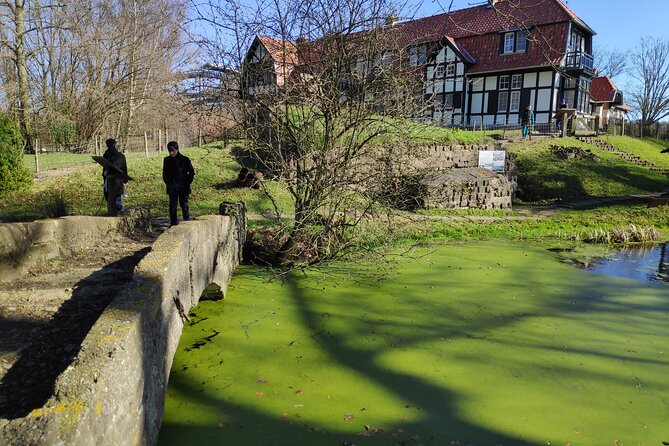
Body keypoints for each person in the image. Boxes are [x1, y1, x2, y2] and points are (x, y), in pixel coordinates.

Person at [162, 141, 195, 226]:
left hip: (183, 186)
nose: (171, 153)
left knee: (184, 205)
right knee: (172, 207)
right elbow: (165, 173)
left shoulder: (185, 159)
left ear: (177, 149)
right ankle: (173, 224)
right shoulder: (167, 160)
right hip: (172, 186)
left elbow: (191, 172)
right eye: (170, 151)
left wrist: (187, 182)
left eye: (173, 150)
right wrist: (168, 182)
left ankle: (187, 221)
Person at [102, 138, 127, 216]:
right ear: (114, 145)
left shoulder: (106, 156)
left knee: (110, 198)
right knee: (117, 197)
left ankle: (114, 212)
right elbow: (124, 168)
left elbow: (104, 169)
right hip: (118, 180)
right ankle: (118, 212)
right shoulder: (121, 156)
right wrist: (125, 179)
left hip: (109, 180)